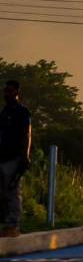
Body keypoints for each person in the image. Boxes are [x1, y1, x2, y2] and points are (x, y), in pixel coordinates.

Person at [0, 80, 32, 238]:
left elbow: (27, 134)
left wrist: (25, 156)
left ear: (17, 92)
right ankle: (6, 223)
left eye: (9, 91)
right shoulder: (5, 111)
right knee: (3, 192)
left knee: (12, 191)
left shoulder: (22, 112)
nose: (6, 93)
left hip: (14, 157)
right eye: (5, 90)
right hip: (2, 156)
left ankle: (13, 225)